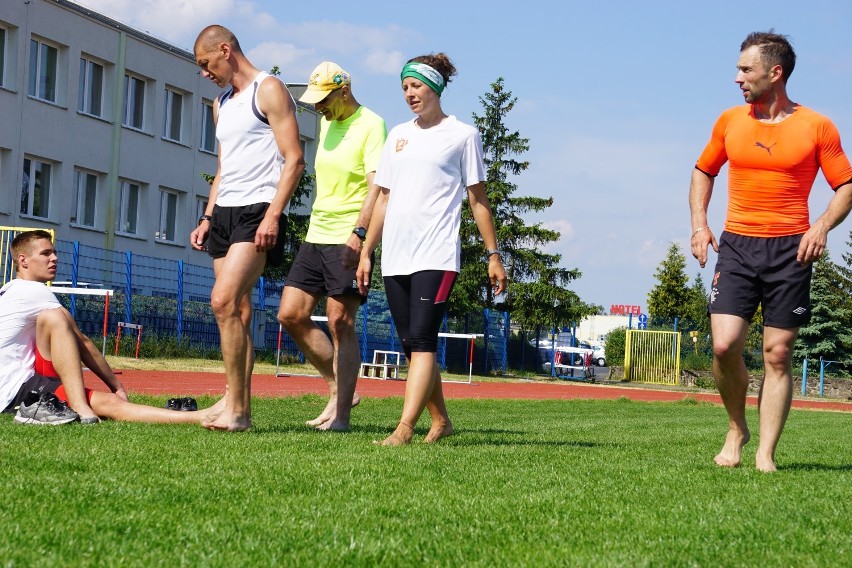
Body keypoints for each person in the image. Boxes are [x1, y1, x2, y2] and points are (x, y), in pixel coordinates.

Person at [689, 31, 852, 472]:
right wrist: (700, 226)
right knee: (724, 346)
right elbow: (703, 171)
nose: (737, 77)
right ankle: (736, 426)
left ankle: (765, 452)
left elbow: (846, 186)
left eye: (745, 69)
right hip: (738, 245)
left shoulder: (817, 126)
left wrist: (820, 227)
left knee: (777, 355)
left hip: (790, 250)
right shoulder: (730, 121)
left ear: (774, 73)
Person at [356, 53, 508, 445]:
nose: (409, 94)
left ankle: (404, 428)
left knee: (422, 340)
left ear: (435, 87)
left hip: (437, 255)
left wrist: (494, 255)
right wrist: (367, 252)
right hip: (396, 257)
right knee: (411, 344)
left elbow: (478, 200)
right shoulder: (398, 137)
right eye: (404, 87)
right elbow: (384, 200)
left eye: (416, 85)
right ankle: (441, 420)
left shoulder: (462, 135)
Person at [190, 25, 305, 432]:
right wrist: (206, 217)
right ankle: (235, 402)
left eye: (206, 63)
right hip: (224, 213)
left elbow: (294, 160)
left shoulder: (268, 89)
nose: (205, 72)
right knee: (236, 308)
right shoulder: (220, 102)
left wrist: (274, 214)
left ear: (225, 50)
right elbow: (224, 167)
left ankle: (238, 412)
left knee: (222, 301)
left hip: (258, 209)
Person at [0, 230, 222, 425]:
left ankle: (78, 402)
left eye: (54, 252)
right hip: (15, 391)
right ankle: (201, 416)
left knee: (53, 318)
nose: (55, 258)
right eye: (46, 253)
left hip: (20, 381)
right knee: (109, 402)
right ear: (23, 260)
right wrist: (116, 386)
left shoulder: (10, 290)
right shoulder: (33, 291)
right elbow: (82, 342)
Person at [277, 62, 387, 431]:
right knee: (290, 314)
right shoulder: (326, 122)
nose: (318, 107)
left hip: (348, 234)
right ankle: (340, 389)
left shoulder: (372, 124)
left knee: (341, 322)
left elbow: (377, 187)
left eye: (324, 99)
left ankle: (341, 414)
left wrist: (359, 235)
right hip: (316, 231)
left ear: (344, 91)